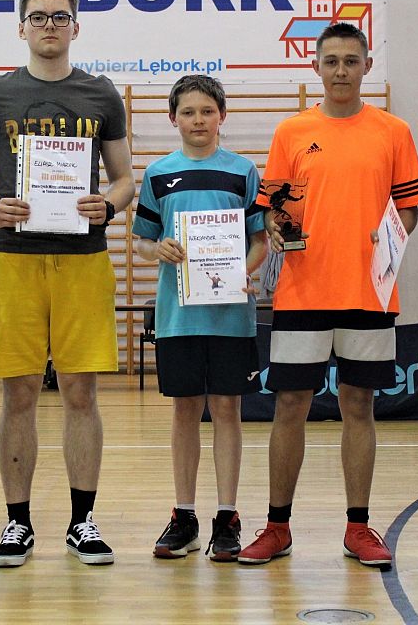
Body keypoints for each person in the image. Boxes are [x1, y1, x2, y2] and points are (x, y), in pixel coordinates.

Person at [0, 0, 135, 567]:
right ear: (22, 27)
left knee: (82, 391)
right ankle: (18, 523)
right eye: (39, 17)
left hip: (83, 261)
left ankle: (83, 522)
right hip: (15, 258)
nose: (50, 25)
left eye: (60, 16)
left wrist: (107, 205)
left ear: (75, 26)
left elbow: (125, 180)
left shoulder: (101, 95)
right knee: (20, 392)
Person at [237, 23, 418, 570]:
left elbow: (409, 211)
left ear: (366, 66)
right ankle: (277, 527)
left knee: (358, 405)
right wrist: (273, 227)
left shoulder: (393, 131)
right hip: (302, 293)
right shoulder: (292, 131)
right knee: (289, 405)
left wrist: (391, 234)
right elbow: (273, 209)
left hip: (369, 293)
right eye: (331, 61)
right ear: (316, 67)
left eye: (350, 60)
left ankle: (358, 527)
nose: (341, 70)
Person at [132, 75, 267, 562]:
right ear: (173, 119)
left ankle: (227, 517)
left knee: (228, 409)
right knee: (185, 410)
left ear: (222, 116)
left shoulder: (243, 172)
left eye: (207, 111)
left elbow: (260, 241)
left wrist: (242, 272)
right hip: (178, 317)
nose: (198, 120)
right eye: (188, 112)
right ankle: (184, 516)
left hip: (231, 316)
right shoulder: (158, 174)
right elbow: (142, 241)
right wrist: (159, 250)